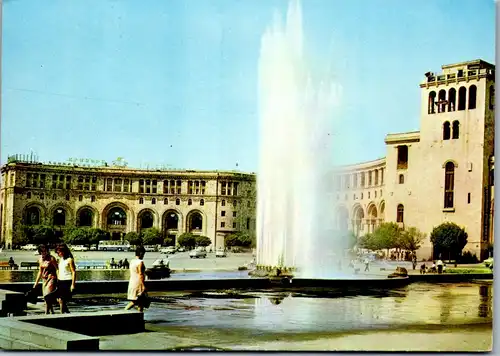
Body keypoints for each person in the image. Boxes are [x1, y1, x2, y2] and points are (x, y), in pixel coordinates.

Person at [33, 244, 59, 314]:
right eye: (42, 251)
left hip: (51, 278)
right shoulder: (40, 259)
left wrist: (58, 278)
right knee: (45, 296)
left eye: (45, 251)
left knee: (48, 296)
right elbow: (40, 271)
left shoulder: (51, 258)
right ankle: (52, 311)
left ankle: (46, 312)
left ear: (47, 251)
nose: (43, 253)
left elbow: (57, 269)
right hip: (44, 279)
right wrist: (36, 282)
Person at [125, 246, 147, 312]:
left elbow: (134, 271)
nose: (143, 255)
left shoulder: (132, 261)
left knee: (140, 302)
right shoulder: (141, 262)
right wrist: (143, 286)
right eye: (143, 254)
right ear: (141, 253)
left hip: (132, 282)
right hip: (138, 284)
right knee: (135, 302)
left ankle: (139, 316)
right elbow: (140, 274)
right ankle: (124, 311)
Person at [55, 243, 76, 314]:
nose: (58, 254)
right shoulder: (60, 259)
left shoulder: (69, 260)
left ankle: (61, 314)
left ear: (63, 251)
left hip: (67, 281)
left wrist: (73, 284)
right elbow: (58, 270)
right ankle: (67, 312)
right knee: (59, 299)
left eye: (59, 252)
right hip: (60, 280)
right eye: (57, 252)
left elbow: (73, 272)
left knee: (62, 299)